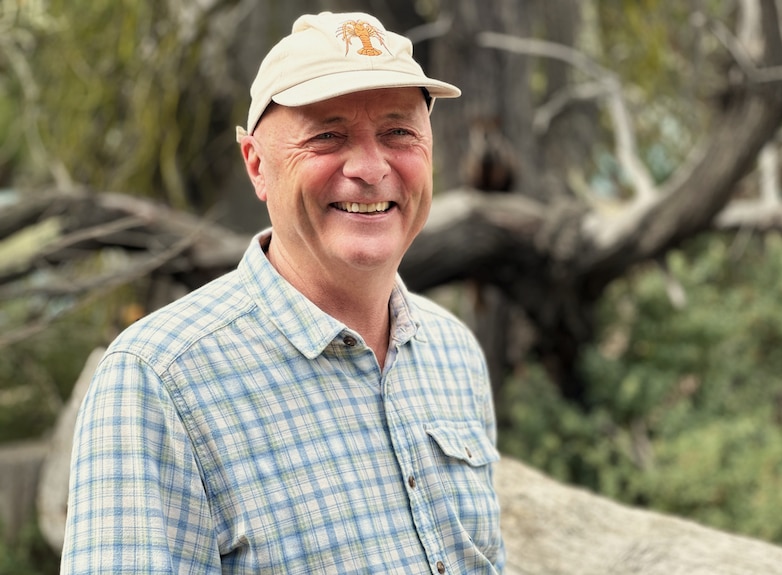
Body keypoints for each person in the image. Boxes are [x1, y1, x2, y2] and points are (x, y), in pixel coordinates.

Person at [60, 10, 505, 575]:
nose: (370, 168)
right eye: (328, 135)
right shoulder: (158, 383)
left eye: (399, 132)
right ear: (256, 165)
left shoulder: (454, 352)